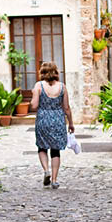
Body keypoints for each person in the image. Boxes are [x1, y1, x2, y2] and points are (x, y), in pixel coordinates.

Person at [30, 61, 74, 190]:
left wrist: (34, 94)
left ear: (42, 73)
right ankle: (54, 180)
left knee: (42, 147)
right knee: (55, 150)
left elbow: (34, 105)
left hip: (43, 119)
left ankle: (46, 171)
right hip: (58, 119)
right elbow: (66, 108)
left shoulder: (38, 86)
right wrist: (70, 123)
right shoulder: (62, 86)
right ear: (55, 72)